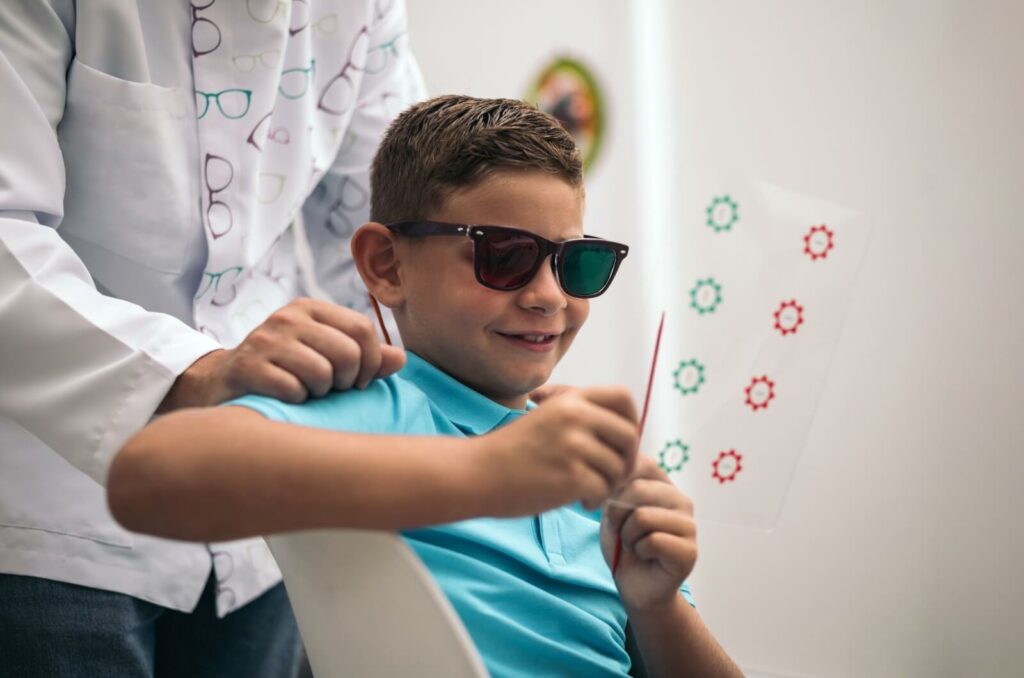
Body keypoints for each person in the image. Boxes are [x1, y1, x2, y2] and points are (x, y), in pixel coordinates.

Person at [108, 95, 743, 677]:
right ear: (386, 266)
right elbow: (147, 475)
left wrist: (657, 607)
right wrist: (492, 471)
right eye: (505, 254)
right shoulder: (379, 409)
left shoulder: (591, 469)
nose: (549, 297)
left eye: (577, 263)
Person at [0, 1, 423, 675]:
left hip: (265, 511)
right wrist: (192, 372)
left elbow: (395, 244)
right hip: (50, 510)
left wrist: (468, 405)